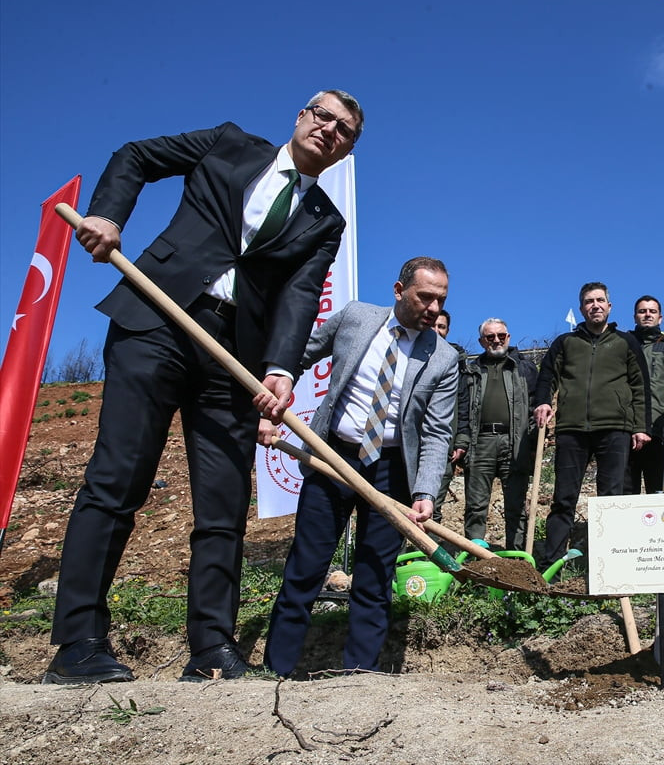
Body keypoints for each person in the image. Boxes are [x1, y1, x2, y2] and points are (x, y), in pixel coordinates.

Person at [45, 89, 364, 685]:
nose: (329, 130)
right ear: (301, 116)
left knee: (223, 505)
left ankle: (213, 648)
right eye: (323, 116)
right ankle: (77, 644)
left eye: (345, 130)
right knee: (117, 481)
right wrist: (109, 216)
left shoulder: (326, 221)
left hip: (232, 358)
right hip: (155, 323)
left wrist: (281, 368)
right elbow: (136, 156)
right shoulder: (229, 144)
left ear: (346, 151)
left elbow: (299, 296)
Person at [262, 258, 458, 678]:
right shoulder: (355, 317)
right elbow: (299, 354)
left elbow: (437, 433)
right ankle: (276, 670)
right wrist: (278, 386)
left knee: (375, 573)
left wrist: (425, 492)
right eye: (425, 297)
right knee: (306, 567)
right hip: (332, 457)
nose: (434, 308)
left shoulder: (443, 358)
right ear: (399, 290)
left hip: (391, 472)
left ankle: (360, 675)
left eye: (441, 300)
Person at [534, 282, 650, 566]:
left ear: (609, 306)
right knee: (564, 498)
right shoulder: (566, 342)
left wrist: (640, 426)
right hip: (572, 429)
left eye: (600, 300)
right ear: (582, 308)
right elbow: (547, 375)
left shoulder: (626, 342)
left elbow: (640, 386)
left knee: (611, 499)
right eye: (589, 301)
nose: (595, 305)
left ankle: (610, 566)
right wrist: (543, 401)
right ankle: (552, 566)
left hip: (615, 428)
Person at [453, 318, 539, 549]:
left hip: (515, 442)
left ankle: (517, 557)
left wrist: (532, 444)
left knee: (516, 504)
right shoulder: (471, 371)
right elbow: (463, 409)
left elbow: (535, 406)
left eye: (501, 335)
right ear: (482, 341)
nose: (496, 340)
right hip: (480, 442)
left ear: (508, 337)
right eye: (490, 337)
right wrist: (462, 440)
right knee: (476, 505)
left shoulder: (524, 368)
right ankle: (475, 555)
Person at [625, 295, 664, 494]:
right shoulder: (623, 344)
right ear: (635, 316)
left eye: (652, 311)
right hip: (627, 430)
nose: (647, 315)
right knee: (626, 494)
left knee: (659, 493)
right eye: (642, 311)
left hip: (660, 431)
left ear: (660, 317)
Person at [431, 309, 467, 527]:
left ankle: (428, 548)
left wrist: (460, 440)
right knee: (400, 503)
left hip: (442, 447)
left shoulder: (457, 364)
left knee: (432, 506)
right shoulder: (406, 355)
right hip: (407, 447)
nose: (436, 330)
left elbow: (464, 404)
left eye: (441, 327)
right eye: (433, 325)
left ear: (448, 331)